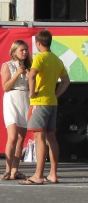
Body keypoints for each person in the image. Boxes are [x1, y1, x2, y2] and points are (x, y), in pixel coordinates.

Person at [21, 30, 70, 185]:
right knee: (51, 137)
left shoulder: (40, 57)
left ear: (38, 43)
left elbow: (32, 75)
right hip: (51, 101)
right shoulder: (56, 59)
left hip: (40, 101)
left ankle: (38, 175)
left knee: (39, 137)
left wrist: (31, 92)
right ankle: (53, 174)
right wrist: (56, 94)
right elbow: (66, 81)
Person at [0, 40, 31, 181]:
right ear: (14, 51)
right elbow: (5, 87)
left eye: (26, 49)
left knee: (21, 137)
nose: (24, 52)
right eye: (21, 50)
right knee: (12, 136)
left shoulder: (30, 66)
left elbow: (32, 86)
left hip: (25, 98)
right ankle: (7, 168)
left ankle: (15, 169)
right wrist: (17, 73)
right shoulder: (8, 65)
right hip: (12, 98)